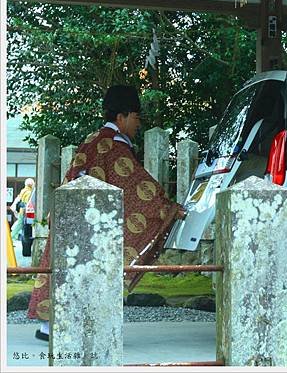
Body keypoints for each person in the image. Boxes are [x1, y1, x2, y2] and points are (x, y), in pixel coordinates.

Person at [27, 85, 185, 341]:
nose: (138, 124)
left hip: (71, 219)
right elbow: (137, 187)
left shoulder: (92, 140)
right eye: (135, 117)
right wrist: (167, 208)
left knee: (67, 269)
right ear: (121, 118)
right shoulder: (114, 147)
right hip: (92, 225)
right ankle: (70, 326)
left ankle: (49, 326)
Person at [9, 178, 35, 246]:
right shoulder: (29, 192)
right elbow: (27, 203)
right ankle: (10, 238)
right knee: (19, 225)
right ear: (31, 184)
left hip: (21, 211)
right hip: (24, 211)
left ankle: (12, 238)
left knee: (19, 224)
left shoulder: (23, 190)